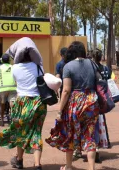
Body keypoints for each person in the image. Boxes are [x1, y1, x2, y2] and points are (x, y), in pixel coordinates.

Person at [45, 41, 100, 170]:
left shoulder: (68, 67)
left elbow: (66, 90)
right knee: (89, 135)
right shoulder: (92, 64)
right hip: (92, 101)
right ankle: (91, 167)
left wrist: (59, 111)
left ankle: (69, 166)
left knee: (69, 134)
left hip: (76, 103)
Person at [0, 37, 46, 170]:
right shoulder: (38, 66)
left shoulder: (15, 68)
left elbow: (17, 82)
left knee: (19, 132)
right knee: (36, 133)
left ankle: (19, 160)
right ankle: (37, 164)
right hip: (38, 102)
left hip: (22, 102)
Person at [0, 53, 17, 127]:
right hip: (12, 87)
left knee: (2, 104)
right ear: (9, 60)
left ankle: (1, 119)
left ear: (1, 60)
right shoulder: (13, 67)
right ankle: (13, 118)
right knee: (12, 103)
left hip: (2, 88)